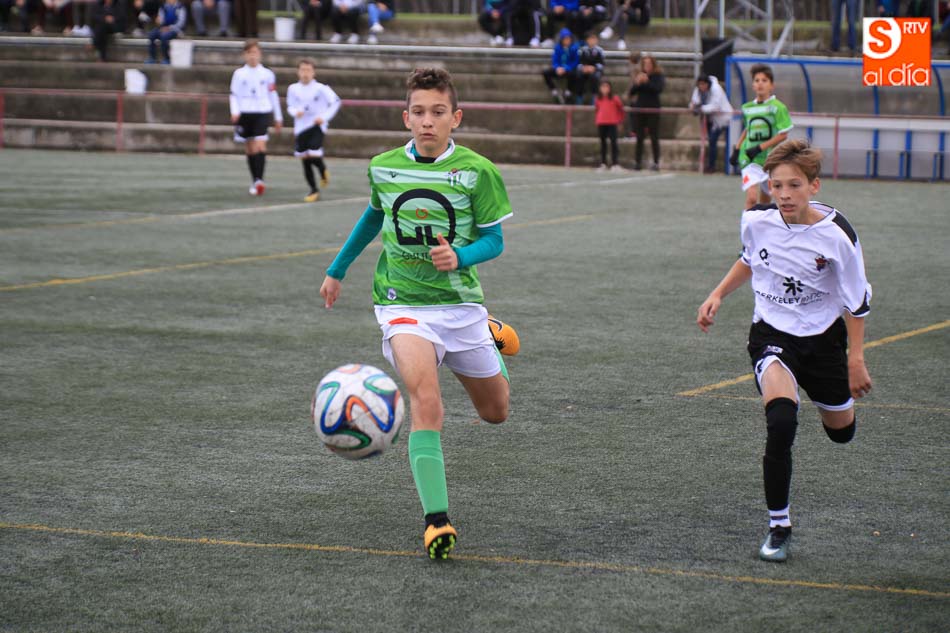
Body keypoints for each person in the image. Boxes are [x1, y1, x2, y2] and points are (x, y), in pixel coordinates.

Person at [319, 67, 517, 561]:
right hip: (401, 305)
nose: (428, 121)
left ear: (456, 118)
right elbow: (374, 215)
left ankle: (488, 333)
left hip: (460, 307)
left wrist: (460, 256)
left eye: (438, 112)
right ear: (405, 117)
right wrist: (337, 269)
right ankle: (436, 520)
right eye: (419, 112)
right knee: (426, 399)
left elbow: (494, 239)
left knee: (496, 412)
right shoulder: (383, 167)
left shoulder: (478, 171)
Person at [696, 139, 873, 563]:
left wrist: (855, 359)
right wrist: (717, 293)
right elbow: (750, 259)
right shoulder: (757, 221)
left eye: (794, 185)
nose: (785, 194)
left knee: (841, 432)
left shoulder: (838, 235)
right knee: (780, 422)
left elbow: (857, 302)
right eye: (776, 186)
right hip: (772, 335)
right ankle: (779, 526)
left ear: (814, 185)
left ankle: (827, 402)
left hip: (824, 342)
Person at [729, 63, 793, 209]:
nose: (760, 84)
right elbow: (748, 129)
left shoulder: (777, 107)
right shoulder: (747, 108)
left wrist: (760, 148)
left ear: (772, 85)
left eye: (764, 80)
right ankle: (746, 224)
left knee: (765, 203)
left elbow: (783, 135)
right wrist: (737, 149)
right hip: (749, 158)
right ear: (753, 85)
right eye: (756, 80)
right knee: (752, 198)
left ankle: (761, 224)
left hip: (769, 160)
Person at [229, 40, 283, 196]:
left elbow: (273, 95)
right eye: (249, 53)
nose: (252, 56)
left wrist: (278, 116)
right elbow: (234, 95)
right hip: (245, 112)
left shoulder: (267, 74)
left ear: (260, 54)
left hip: (262, 111)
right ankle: (255, 179)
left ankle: (260, 180)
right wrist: (235, 111)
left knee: (260, 145)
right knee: (250, 147)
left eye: (255, 52)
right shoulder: (239, 74)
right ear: (245, 55)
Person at [286, 58, 341, 202]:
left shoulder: (321, 88)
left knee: (313, 152)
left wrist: (324, 117)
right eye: (303, 70)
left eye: (308, 70)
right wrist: (295, 112)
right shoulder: (293, 88)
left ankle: (322, 170)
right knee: (305, 159)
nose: (305, 73)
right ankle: (313, 190)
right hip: (301, 127)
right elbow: (290, 106)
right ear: (298, 72)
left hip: (316, 126)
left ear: (313, 72)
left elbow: (335, 102)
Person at [689, 74, 732, 173]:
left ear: (708, 84)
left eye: (703, 84)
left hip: (722, 119)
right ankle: (710, 165)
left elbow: (715, 106)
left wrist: (700, 108)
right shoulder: (698, 90)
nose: (701, 87)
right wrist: (693, 106)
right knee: (711, 141)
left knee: (713, 140)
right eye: (700, 84)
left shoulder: (716, 89)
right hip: (709, 118)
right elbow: (694, 101)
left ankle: (712, 166)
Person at [627, 53, 663, 170]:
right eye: (645, 64)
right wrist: (637, 83)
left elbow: (658, 89)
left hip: (653, 109)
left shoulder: (657, 76)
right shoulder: (640, 75)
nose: (647, 66)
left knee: (654, 136)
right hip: (640, 109)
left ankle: (656, 162)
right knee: (639, 137)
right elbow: (631, 92)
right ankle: (638, 162)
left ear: (653, 64)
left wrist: (647, 81)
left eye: (649, 63)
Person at [541, 27, 579, 104]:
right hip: (558, 69)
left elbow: (575, 62)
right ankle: (554, 91)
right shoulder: (558, 48)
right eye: (565, 39)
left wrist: (566, 68)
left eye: (568, 39)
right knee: (545, 72)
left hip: (568, 70)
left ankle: (568, 92)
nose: (567, 41)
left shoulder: (574, 48)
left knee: (575, 74)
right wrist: (557, 68)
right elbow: (555, 60)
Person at [594, 79, 624, 171]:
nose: (604, 89)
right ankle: (603, 163)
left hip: (612, 123)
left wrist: (620, 121)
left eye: (606, 87)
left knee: (614, 143)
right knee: (603, 144)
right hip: (601, 123)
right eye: (603, 87)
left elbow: (621, 110)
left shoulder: (615, 98)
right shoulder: (598, 99)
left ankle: (615, 163)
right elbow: (597, 109)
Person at [574, 31, 605, 105]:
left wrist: (594, 68)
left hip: (595, 70)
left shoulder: (599, 51)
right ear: (586, 40)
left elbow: (602, 64)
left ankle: (594, 98)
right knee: (579, 76)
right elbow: (579, 63)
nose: (591, 41)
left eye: (593, 39)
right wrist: (583, 68)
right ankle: (579, 97)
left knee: (595, 77)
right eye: (590, 39)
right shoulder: (583, 50)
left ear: (596, 40)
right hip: (584, 70)